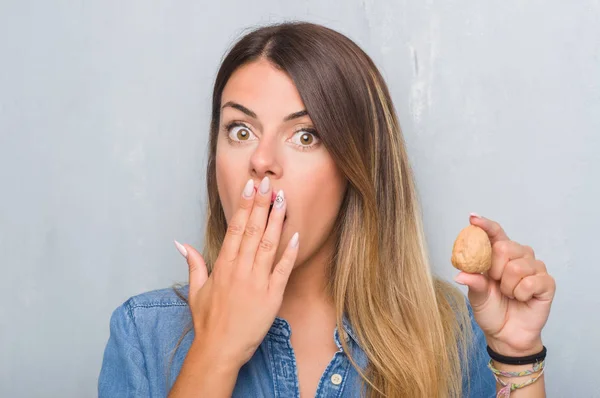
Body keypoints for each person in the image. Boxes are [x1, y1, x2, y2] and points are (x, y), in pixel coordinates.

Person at [98, 21, 556, 397]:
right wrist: (215, 351)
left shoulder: (451, 332)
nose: (261, 161)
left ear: (355, 168)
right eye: (240, 130)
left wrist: (517, 355)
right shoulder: (144, 333)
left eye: (305, 136)